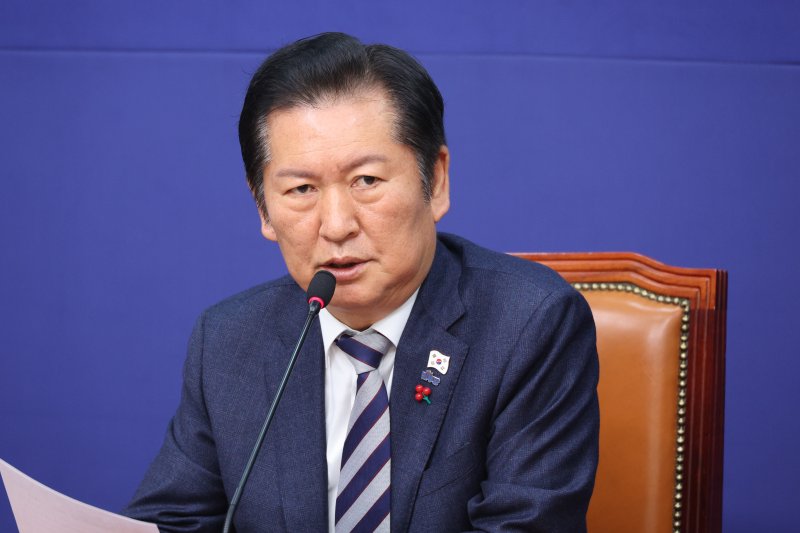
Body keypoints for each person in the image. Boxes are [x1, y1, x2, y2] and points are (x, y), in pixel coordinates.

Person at [124, 32, 599, 532]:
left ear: (435, 180)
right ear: (262, 208)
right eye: (301, 188)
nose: (336, 225)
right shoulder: (229, 341)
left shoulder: (528, 325)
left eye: (366, 181)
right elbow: (171, 520)